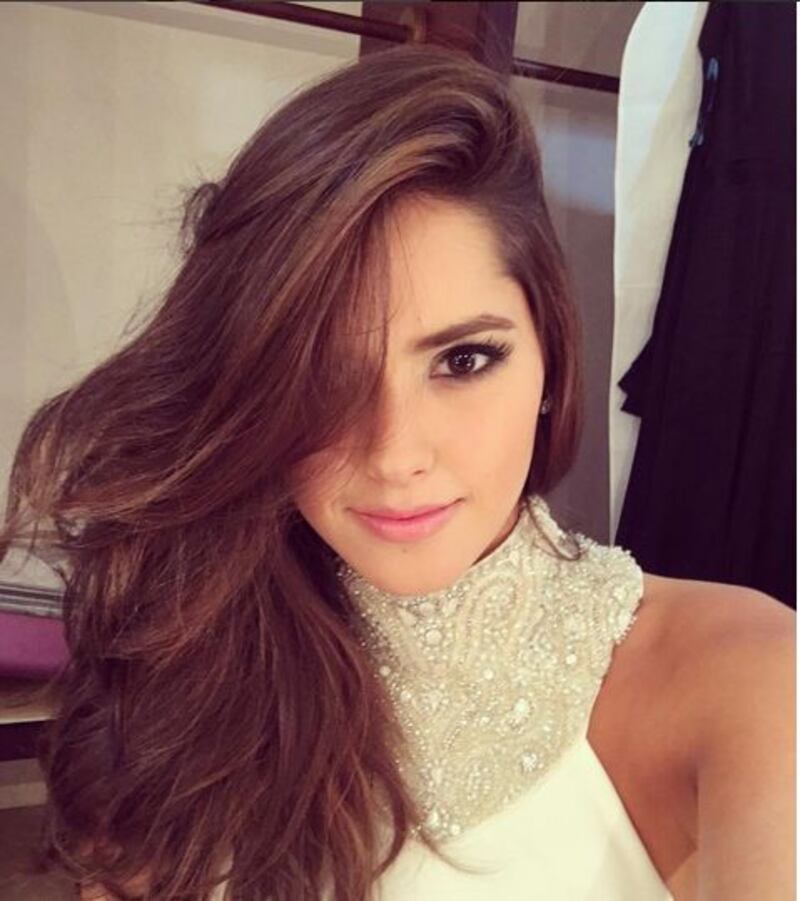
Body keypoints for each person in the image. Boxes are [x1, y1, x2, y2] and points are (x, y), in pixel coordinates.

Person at [1, 42, 793, 901]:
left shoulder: (745, 675)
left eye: (463, 360)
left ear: (551, 361)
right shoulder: (193, 661)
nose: (394, 453)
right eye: (321, 374)